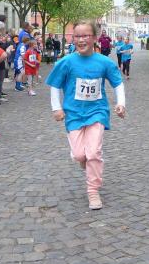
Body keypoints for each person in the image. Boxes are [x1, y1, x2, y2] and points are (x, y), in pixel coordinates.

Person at [47, 20, 126, 210]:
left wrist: (121, 103)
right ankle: (84, 160)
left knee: (93, 152)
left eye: (85, 36)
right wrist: (56, 108)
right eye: (77, 36)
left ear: (95, 38)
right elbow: (55, 85)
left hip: (97, 112)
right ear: (73, 39)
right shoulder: (66, 62)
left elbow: (117, 83)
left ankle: (93, 191)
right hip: (73, 113)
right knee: (79, 155)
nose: (81, 40)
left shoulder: (104, 62)